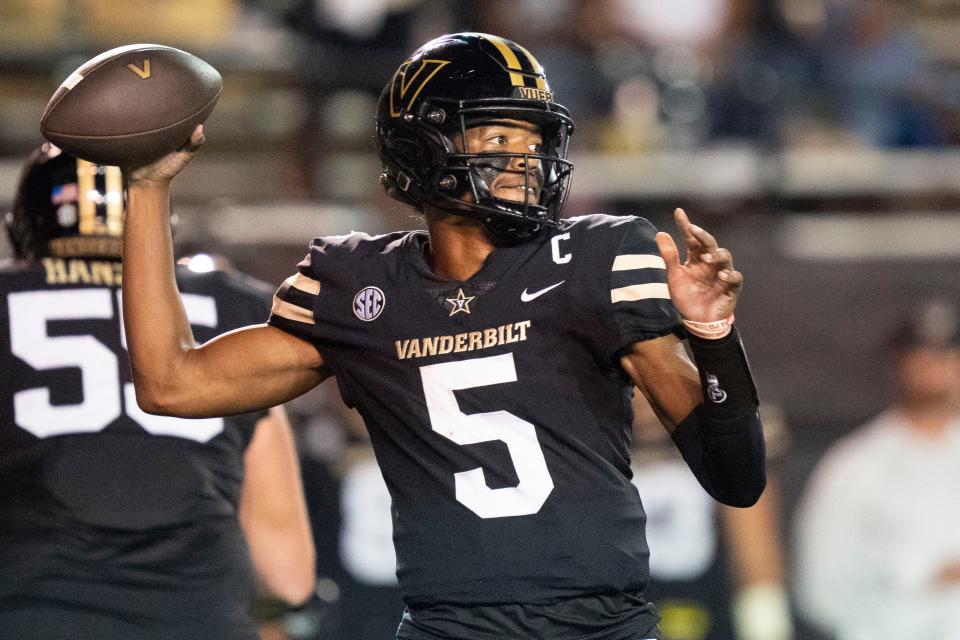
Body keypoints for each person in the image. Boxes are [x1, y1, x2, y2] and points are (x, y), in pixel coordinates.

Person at [121, 32, 766, 640]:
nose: (525, 158)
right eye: (498, 134)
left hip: (600, 627)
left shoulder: (598, 258)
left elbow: (737, 478)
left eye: (533, 136)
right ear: (425, 147)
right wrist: (148, 189)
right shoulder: (360, 286)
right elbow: (171, 384)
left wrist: (713, 335)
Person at [0, 144, 316, 639]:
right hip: (194, 614)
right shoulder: (232, 303)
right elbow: (287, 574)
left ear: (23, 226)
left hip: (33, 609)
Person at [794, 299, 960, 640]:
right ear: (897, 363)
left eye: (947, 353)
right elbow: (819, 590)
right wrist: (919, 583)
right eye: (920, 353)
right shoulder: (854, 464)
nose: (934, 365)